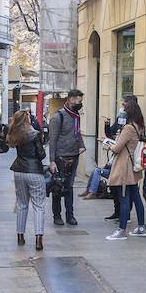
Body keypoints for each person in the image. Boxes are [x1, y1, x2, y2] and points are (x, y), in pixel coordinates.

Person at [104, 95, 146, 240]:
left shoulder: (129, 128)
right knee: (136, 197)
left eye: (123, 107)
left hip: (125, 167)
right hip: (134, 166)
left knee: (124, 198)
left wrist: (109, 145)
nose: (121, 110)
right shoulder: (139, 126)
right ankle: (141, 227)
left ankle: (121, 230)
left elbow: (117, 148)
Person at [9, 108, 47, 250]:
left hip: (19, 171)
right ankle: (38, 238)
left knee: (22, 204)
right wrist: (42, 148)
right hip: (34, 171)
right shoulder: (35, 134)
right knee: (38, 205)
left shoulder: (16, 134)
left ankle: (20, 236)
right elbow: (41, 155)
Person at [47, 89, 84, 225]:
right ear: (71, 99)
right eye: (79, 101)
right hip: (60, 157)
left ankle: (70, 215)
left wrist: (81, 144)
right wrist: (52, 161)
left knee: (69, 187)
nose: (80, 104)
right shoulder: (58, 117)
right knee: (58, 186)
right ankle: (57, 215)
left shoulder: (76, 116)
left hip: (74, 155)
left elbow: (77, 132)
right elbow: (53, 140)